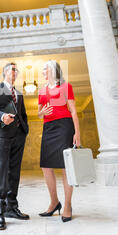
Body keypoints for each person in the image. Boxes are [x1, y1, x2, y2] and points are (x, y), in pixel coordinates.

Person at [0, 62, 29, 230]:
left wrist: (25, 130)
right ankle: (0, 212)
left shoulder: (19, 93)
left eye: (16, 70)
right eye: (12, 69)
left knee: (14, 172)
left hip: (19, 136)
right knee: (2, 172)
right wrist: (2, 116)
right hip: (3, 134)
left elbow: (23, 114)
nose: (15, 72)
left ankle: (12, 207)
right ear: (5, 72)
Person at [38, 60, 80, 223]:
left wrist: (77, 133)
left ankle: (68, 205)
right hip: (48, 128)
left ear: (53, 70)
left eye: (44, 69)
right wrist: (42, 112)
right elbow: (39, 113)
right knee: (46, 166)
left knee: (65, 166)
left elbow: (74, 111)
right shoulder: (41, 91)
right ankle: (54, 202)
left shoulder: (66, 86)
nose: (42, 71)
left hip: (64, 127)